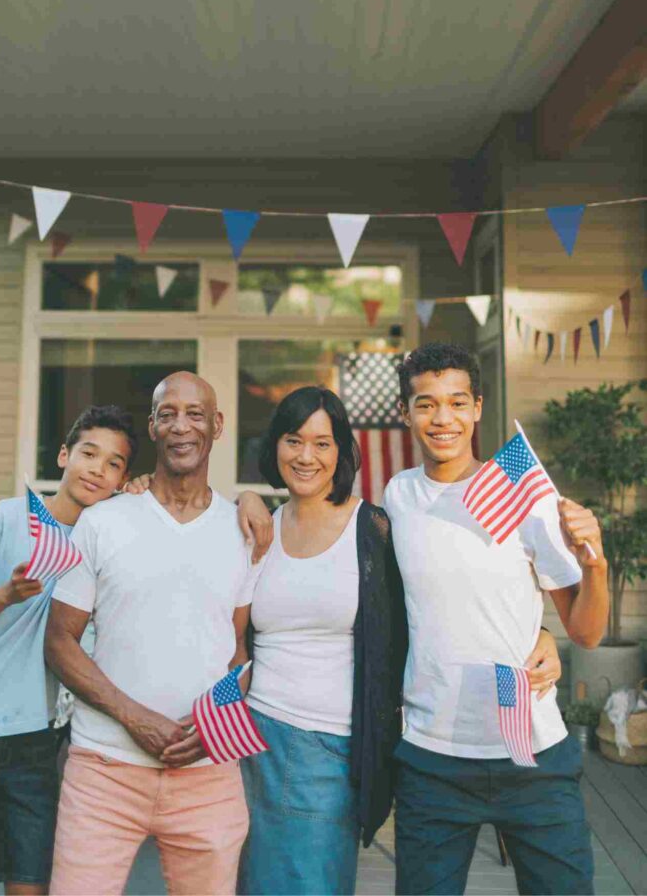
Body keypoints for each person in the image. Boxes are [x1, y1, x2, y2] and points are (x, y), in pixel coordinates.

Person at [233, 385, 562, 896]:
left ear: (343, 451)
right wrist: (244, 496)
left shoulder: (374, 528)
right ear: (274, 446)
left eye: (323, 443)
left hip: (327, 742)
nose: (306, 455)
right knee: (250, 881)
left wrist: (540, 632)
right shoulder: (259, 527)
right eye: (293, 440)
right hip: (250, 740)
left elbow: (434, 602)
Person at [386, 342, 607, 896]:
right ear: (406, 412)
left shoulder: (521, 494)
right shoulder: (399, 497)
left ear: (478, 408)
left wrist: (596, 564)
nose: (443, 419)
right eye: (426, 403)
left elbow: (586, 630)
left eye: (458, 403)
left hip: (531, 752)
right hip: (432, 756)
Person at [44, 372, 271, 896]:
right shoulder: (104, 522)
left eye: (195, 414)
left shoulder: (243, 530)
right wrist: (134, 717)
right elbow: (59, 641)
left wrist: (216, 726)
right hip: (104, 770)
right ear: (152, 427)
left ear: (216, 425)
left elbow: (240, 651)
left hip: (209, 775)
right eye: (167, 414)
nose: (181, 426)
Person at [0, 405, 138, 896]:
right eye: (88, 453)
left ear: (124, 480)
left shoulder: (111, 540)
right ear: (63, 455)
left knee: (30, 886)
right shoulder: (6, 518)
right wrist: (5, 596)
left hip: (36, 737)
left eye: (115, 463)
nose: (97, 469)